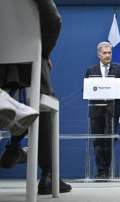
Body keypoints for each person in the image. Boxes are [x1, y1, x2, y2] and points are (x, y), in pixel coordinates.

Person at [0, 0, 72, 195]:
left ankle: (15, 146)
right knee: (43, 99)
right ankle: (48, 174)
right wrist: (43, 52)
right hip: (24, 60)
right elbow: (53, 19)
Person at [85, 41, 120, 179]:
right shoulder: (91, 70)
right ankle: (100, 171)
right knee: (97, 141)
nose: (107, 55)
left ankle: (106, 170)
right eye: (104, 53)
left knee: (109, 140)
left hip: (113, 110)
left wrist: (116, 85)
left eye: (109, 53)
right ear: (99, 54)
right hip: (96, 110)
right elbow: (86, 89)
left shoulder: (119, 68)